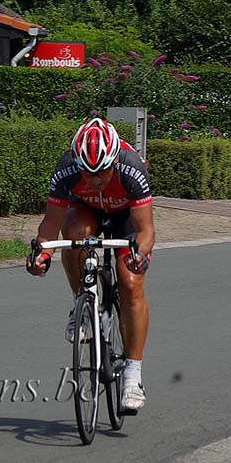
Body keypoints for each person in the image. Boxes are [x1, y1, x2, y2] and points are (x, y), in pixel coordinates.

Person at [26, 118, 155, 411]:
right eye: (88, 172)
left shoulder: (131, 167)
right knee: (73, 237)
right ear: (77, 163)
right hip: (85, 211)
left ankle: (133, 375)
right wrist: (41, 255)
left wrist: (140, 255)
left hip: (126, 218)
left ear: (114, 161)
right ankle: (81, 304)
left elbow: (146, 230)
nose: (95, 178)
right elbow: (50, 225)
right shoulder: (67, 169)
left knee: (131, 283)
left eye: (102, 171)